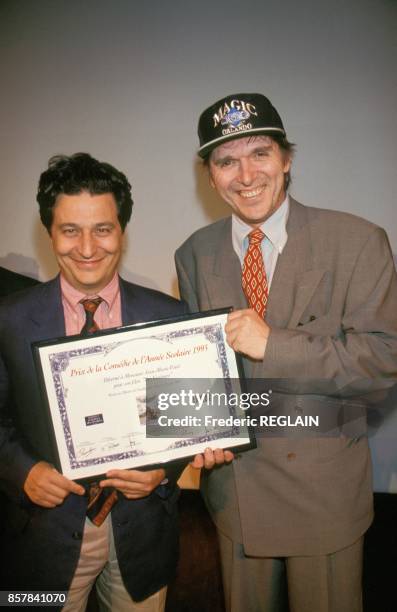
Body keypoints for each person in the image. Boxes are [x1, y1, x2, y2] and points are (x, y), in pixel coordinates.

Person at [175, 93, 397, 612]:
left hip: (323, 492)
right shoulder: (193, 252)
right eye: (226, 160)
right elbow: (197, 370)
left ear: (287, 159)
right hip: (235, 494)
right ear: (210, 176)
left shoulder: (358, 241)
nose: (245, 174)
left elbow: (383, 361)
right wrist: (196, 432)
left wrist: (274, 344)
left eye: (260, 154)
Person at [0, 153, 188, 612]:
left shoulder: (169, 316)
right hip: (40, 538)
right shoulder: (8, 320)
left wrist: (165, 471)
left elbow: (184, 419)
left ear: (122, 229)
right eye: (70, 230)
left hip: (142, 536)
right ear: (49, 233)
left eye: (102, 229)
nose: (87, 247)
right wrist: (22, 471)